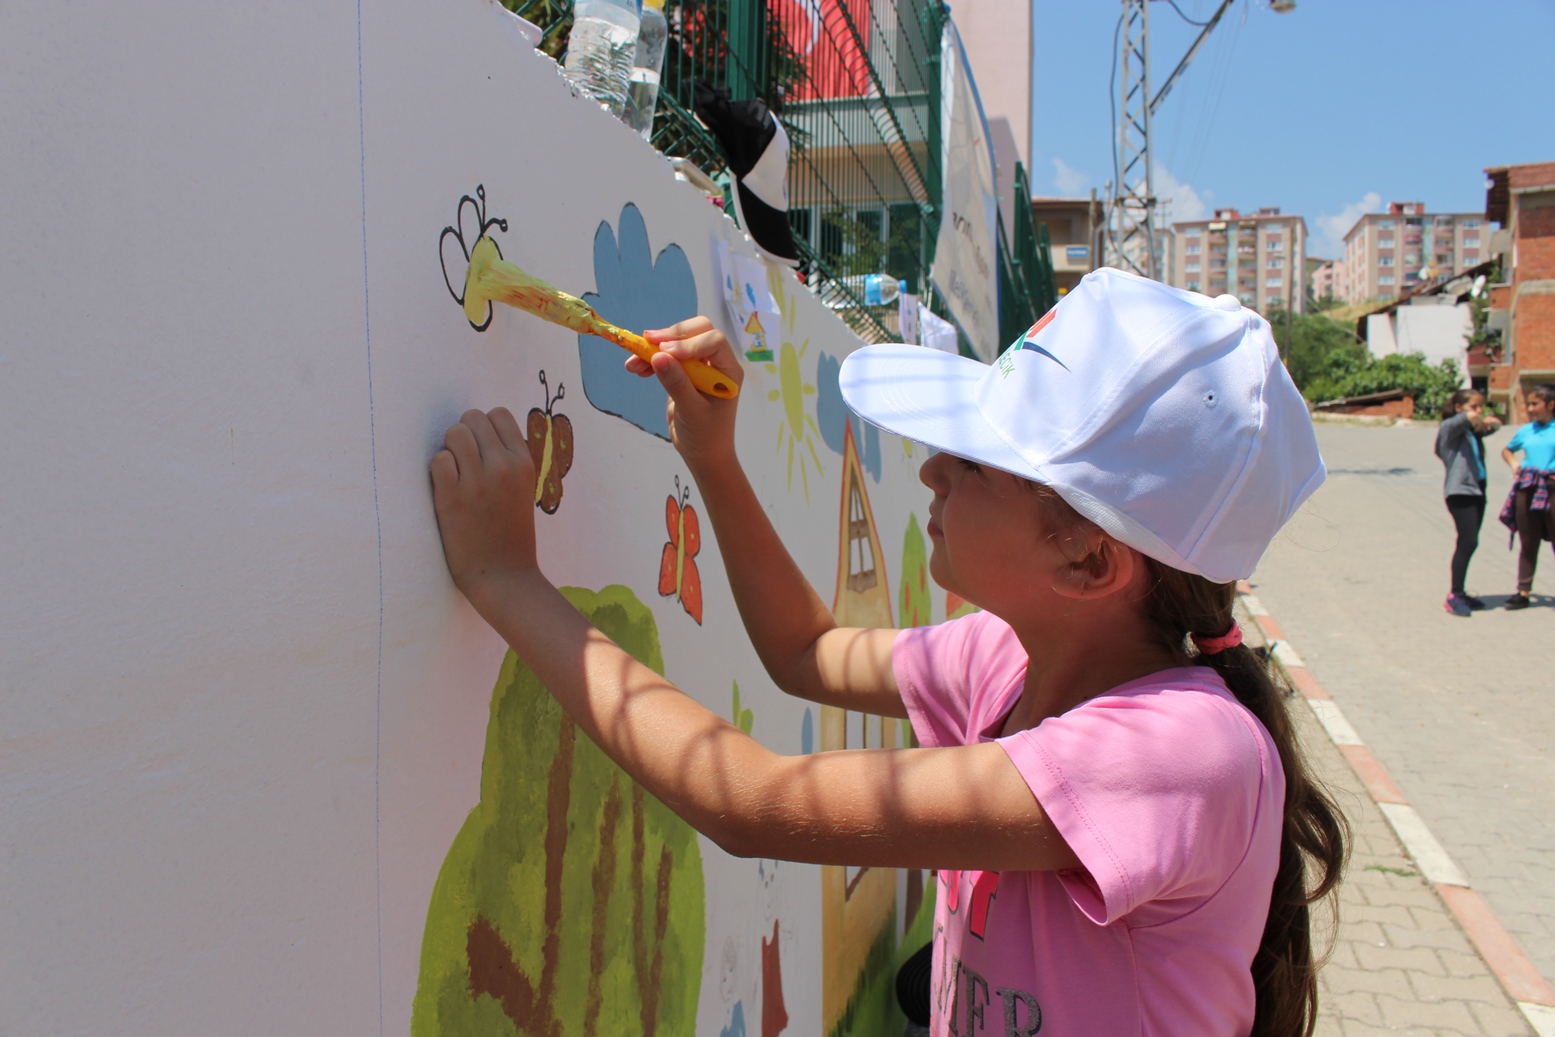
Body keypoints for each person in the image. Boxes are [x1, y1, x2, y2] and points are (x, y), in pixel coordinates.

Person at [429, 270, 1348, 1037]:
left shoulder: (1181, 753)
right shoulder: (1005, 657)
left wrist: (508, 580)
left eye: (977, 463)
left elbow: (748, 802)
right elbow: (807, 650)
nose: (931, 470)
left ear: (1088, 556)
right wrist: (714, 457)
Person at [1435, 389, 1501, 616]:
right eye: (1474, 406)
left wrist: (1485, 421)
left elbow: (1495, 425)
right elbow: (1469, 420)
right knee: (1468, 541)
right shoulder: (1450, 428)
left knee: (1470, 542)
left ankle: (1461, 593)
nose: (1479, 411)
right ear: (1458, 408)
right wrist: (1475, 417)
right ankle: (1454, 595)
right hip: (1460, 492)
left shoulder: (1471, 433)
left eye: (1481, 406)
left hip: (1477, 491)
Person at [1498, 382, 1555, 610]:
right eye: (1529, 404)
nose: (1530, 409)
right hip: (1528, 488)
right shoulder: (1527, 430)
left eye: (1535, 404)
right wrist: (1514, 464)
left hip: (1551, 487)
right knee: (1528, 541)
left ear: (1551, 404)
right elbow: (1507, 449)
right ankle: (1523, 592)